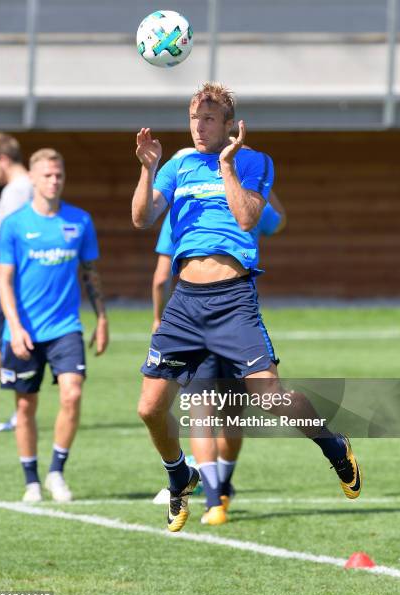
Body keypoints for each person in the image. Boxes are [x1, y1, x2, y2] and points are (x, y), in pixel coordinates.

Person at [132, 82, 361, 533]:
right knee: (149, 407)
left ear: (230, 124)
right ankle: (180, 474)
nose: (200, 127)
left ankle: (333, 444)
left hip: (232, 299)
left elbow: (247, 218)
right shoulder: (176, 164)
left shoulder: (254, 161)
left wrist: (227, 166)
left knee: (270, 397)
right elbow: (142, 218)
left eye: (210, 119)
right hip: (184, 304)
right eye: (195, 118)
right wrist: (148, 168)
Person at [152, 193, 285, 525]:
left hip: (190, 318)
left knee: (200, 412)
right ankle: (222, 490)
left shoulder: (182, 210)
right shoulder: (250, 202)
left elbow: (159, 279)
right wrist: (265, 188)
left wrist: (161, 320)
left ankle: (212, 500)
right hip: (237, 322)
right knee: (232, 414)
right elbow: (278, 221)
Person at [0, 148, 108, 503]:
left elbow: (90, 273)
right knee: (25, 407)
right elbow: (5, 281)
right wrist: (15, 327)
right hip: (23, 330)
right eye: (46, 175)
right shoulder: (14, 224)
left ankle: (56, 472)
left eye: (58, 175)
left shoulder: (80, 221)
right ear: (32, 178)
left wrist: (101, 318)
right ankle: (31, 480)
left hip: (65, 327)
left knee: (72, 394)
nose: (54, 180)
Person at [0, 133, 33, 431]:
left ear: (3, 159)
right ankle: (21, 412)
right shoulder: (29, 186)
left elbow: (13, 241)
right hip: (16, 284)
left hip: (7, 286)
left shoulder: (18, 190)